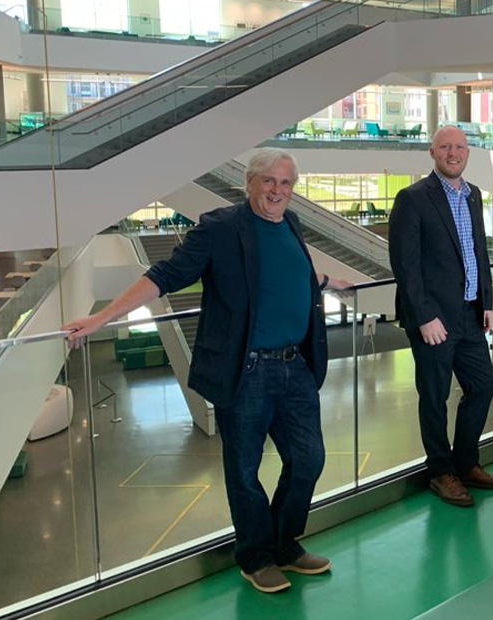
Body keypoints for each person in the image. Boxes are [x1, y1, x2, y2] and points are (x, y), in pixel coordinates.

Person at [61, 148, 353, 593]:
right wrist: (103, 318)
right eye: (269, 181)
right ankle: (255, 557)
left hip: (295, 368)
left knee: (309, 458)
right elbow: (166, 274)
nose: (277, 191)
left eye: (286, 183)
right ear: (250, 184)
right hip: (247, 372)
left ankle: (283, 543)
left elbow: (293, 273)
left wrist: (331, 283)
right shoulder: (220, 227)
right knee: (243, 469)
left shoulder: (291, 223)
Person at [388, 126, 493, 508]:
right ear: (432, 152)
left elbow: (478, 254)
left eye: (459, 147)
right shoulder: (413, 198)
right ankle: (441, 472)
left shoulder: (471, 196)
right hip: (433, 321)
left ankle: (466, 462)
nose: (453, 153)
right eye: (445, 147)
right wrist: (423, 316)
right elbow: (405, 265)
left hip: (470, 315)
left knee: (484, 384)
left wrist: (485, 301)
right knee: (434, 397)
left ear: (468, 152)